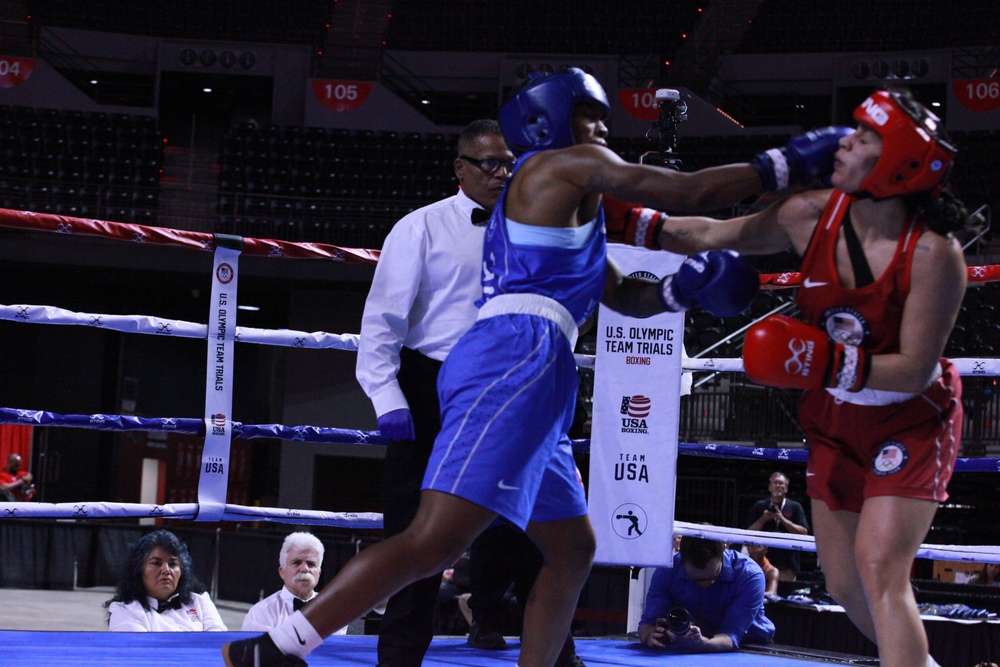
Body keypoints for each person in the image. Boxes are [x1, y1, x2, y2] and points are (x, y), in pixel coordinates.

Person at [222, 67, 846, 667]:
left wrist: (683, 292)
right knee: (434, 541)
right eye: (589, 117)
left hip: (541, 366)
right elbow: (686, 192)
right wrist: (786, 163)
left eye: (605, 122)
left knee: (572, 550)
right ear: (548, 124)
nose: (602, 132)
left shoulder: (569, 209)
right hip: (513, 359)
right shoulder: (557, 164)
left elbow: (621, 289)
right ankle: (277, 648)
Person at [644, 87, 969, 667]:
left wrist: (822, 361)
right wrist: (630, 221)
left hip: (910, 417)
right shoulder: (809, 214)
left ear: (898, 164)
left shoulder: (934, 254)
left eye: (866, 137)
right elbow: (712, 235)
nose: (844, 142)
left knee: (880, 568)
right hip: (835, 418)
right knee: (845, 585)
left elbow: (916, 368)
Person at [354, 119, 517, 667]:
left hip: (508, 384)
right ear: (460, 168)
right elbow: (381, 323)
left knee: (528, 522)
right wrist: (389, 398)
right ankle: (399, 658)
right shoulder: (419, 228)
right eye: (490, 163)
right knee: (412, 531)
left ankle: (527, 639)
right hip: (431, 384)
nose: (502, 173)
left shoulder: (533, 227)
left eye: (508, 163)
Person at [638, 535, 775, 653]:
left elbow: (731, 635)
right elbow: (647, 624)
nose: (704, 585)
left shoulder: (749, 575)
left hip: (751, 645)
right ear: (681, 555)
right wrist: (650, 635)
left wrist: (703, 643)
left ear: (723, 549)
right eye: (696, 579)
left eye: (711, 578)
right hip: (688, 645)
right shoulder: (667, 571)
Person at [105, 529, 227, 632]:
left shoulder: (200, 601)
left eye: (173, 564)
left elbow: (219, 643)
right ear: (138, 569)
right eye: (156, 563)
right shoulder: (124, 609)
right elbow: (143, 654)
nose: (166, 570)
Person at [243, 532, 346, 634]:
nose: (304, 568)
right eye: (296, 562)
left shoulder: (335, 611)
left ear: (319, 573)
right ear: (282, 572)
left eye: (311, 564)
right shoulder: (261, 613)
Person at [745, 471, 809, 581]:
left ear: (786, 488)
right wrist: (763, 519)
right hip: (763, 567)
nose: (778, 486)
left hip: (787, 567)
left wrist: (782, 519)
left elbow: (804, 532)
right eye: (775, 483)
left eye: (781, 483)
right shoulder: (760, 506)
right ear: (770, 487)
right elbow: (747, 534)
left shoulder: (795, 507)